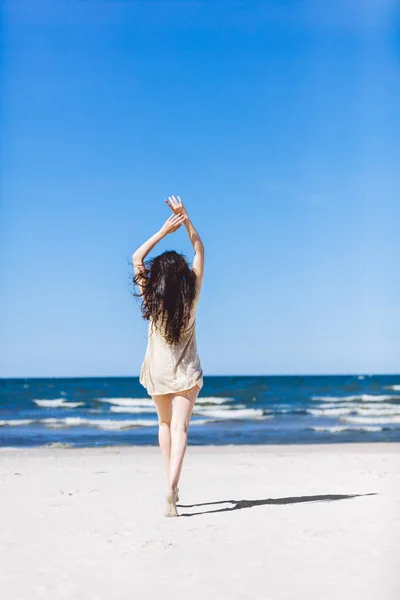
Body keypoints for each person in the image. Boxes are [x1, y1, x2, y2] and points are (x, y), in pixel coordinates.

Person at [132, 196, 205, 517]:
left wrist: (163, 231)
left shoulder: (151, 299)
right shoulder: (192, 299)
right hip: (186, 371)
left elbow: (137, 256)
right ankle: (172, 488)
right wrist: (185, 219)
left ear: (158, 277)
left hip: (158, 371)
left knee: (163, 424)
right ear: (184, 278)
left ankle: (170, 485)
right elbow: (200, 250)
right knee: (181, 429)